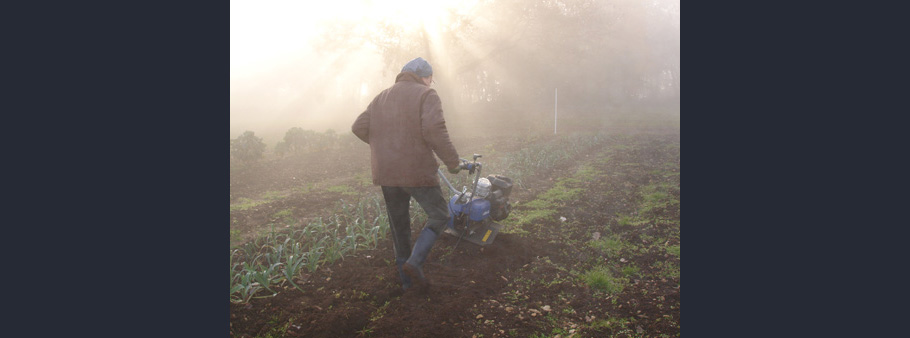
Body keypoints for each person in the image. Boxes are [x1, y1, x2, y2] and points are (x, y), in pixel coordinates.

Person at [351, 57, 462, 292]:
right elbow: (434, 129)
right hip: (417, 170)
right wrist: (452, 162)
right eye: (431, 79)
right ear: (425, 77)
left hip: (387, 173)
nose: (431, 83)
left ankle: (406, 283)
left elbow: (359, 127)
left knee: (399, 227)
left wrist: (384, 148)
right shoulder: (426, 95)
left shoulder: (381, 97)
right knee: (440, 215)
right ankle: (415, 262)